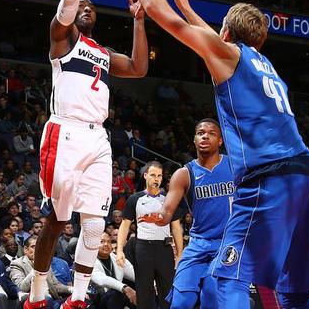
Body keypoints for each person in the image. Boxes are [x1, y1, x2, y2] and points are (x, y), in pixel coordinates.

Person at [126, 0, 309, 308]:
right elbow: (213, 42)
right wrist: (189, 8)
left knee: (226, 278)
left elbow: (161, 15)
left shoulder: (230, 55)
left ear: (227, 31)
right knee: (293, 292)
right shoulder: (265, 66)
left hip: (272, 176)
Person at [25, 0, 150, 309]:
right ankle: (37, 293)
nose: (85, 7)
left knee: (95, 222)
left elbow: (140, 67)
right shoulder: (62, 40)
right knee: (58, 220)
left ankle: (77, 298)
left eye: (91, 6)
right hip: (65, 132)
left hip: (98, 137)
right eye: (81, 5)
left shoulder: (103, 53)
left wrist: (139, 20)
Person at [139, 119, 234, 308]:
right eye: (201, 133)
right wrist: (158, 217)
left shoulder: (235, 166)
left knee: (211, 294)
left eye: (211, 133)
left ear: (220, 141)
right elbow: (167, 211)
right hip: (198, 243)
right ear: (194, 139)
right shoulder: (184, 174)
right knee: (180, 302)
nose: (205, 136)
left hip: (228, 243)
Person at [116, 161, 183, 309]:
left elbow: (176, 227)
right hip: (143, 248)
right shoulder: (135, 199)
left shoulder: (169, 198)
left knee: (168, 292)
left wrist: (180, 254)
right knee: (144, 292)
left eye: (159, 176)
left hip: (164, 248)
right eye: (153, 175)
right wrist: (119, 250)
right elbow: (124, 225)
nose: (156, 179)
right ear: (145, 175)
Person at [9, 235, 71, 303]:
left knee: (76, 298)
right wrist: (36, 268)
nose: (38, 250)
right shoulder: (17, 264)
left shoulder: (45, 262)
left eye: (40, 247)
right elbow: (22, 287)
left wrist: (71, 289)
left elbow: (55, 285)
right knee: (47, 299)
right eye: (33, 247)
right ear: (26, 249)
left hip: (54, 299)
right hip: (34, 302)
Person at [91, 232, 136, 309]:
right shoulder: (89, 261)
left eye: (109, 242)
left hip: (118, 298)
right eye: (102, 241)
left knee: (144, 291)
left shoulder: (117, 258)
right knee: (116, 292)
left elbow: (135, 274)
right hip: (97, 301)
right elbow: (102, 280)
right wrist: (124, 287)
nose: (106, 244)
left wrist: (153, 284)